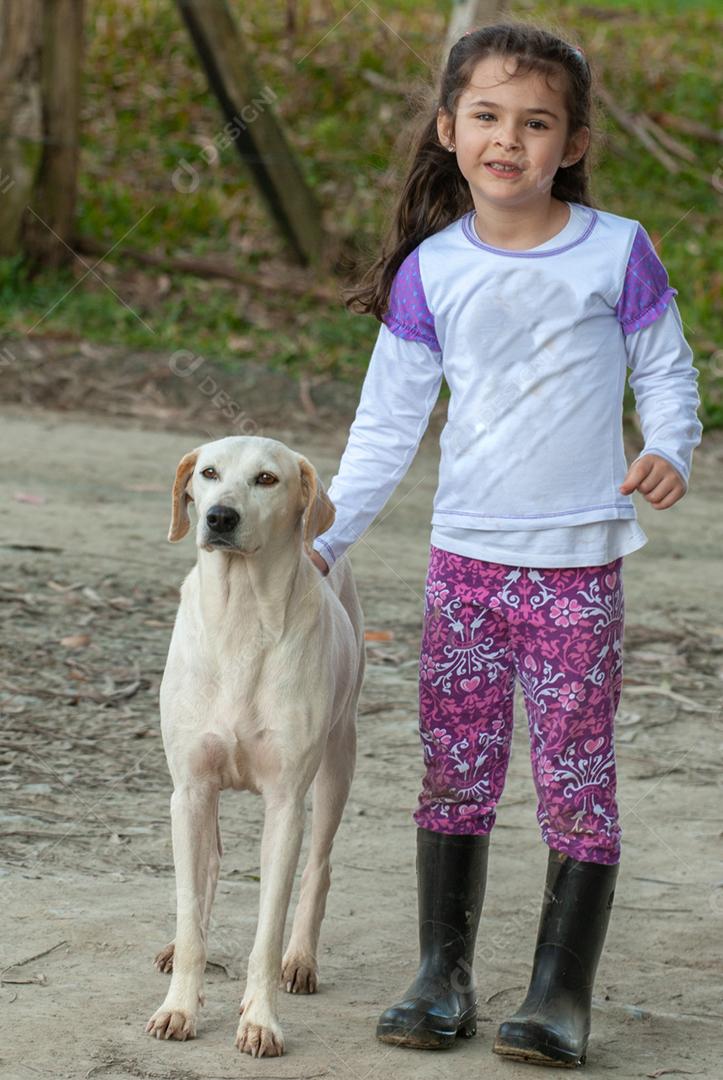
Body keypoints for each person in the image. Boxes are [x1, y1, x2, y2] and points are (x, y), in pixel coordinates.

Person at [309, 21, 703, 1069]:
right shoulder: (432, 272)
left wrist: (670, 447)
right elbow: (387, 426)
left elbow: (666, 373)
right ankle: (441, 978)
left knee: (576, 773)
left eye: (536, 123)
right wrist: (324, 540)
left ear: (571, 142)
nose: (508, 140)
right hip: (466, 565)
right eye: (486, 117)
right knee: (456, 768)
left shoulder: (616, 250)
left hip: (577, 566)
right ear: (449, 129)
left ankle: (557, 997)